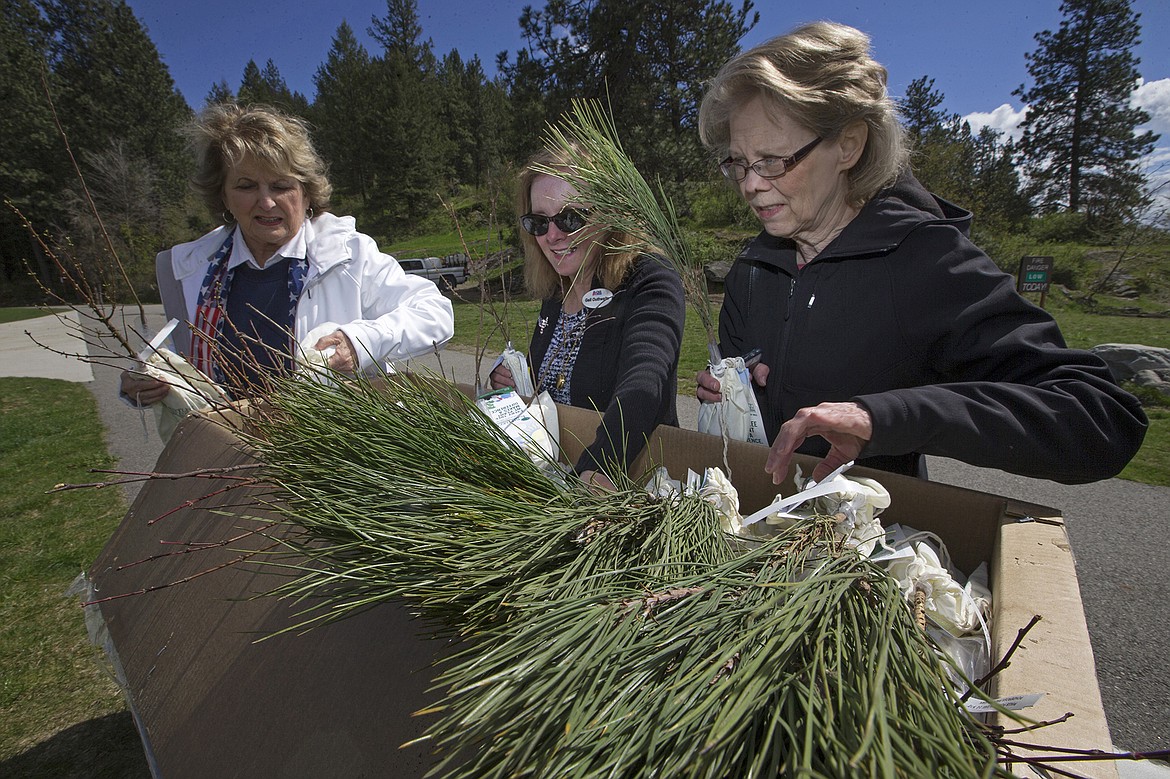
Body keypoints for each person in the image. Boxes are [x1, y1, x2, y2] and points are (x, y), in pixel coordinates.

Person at [694, 21, 1147, 486]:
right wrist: (732, 388)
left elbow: (1099, 417)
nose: (750, 184)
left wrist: (883, 417)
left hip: (861, 544)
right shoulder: (754, 268)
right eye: (739, 163)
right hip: (753, 527)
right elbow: (750, 378)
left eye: (772, 161)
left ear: (848, 145)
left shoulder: (926, 259)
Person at [120, 103, 454, 405]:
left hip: (338, 454)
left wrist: (360, 342)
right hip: (232, 451)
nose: (266, 202)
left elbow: (435, 314)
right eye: (246, 186)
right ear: (223, 195)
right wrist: (148, 381)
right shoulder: (191, 269)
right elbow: (182, 356)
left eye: (281, 186)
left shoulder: (349, 254)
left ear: (307, 194)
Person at [489, 146, 686, 489]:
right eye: (539, 222)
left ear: (609, 214)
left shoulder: (649, 279)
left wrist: (601, 467)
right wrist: (517, 381)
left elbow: (644, 381)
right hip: (558, 478)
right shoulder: (555, 293)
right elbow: (557, 385)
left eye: (570, 218)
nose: (552, 235)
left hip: (633, 485)